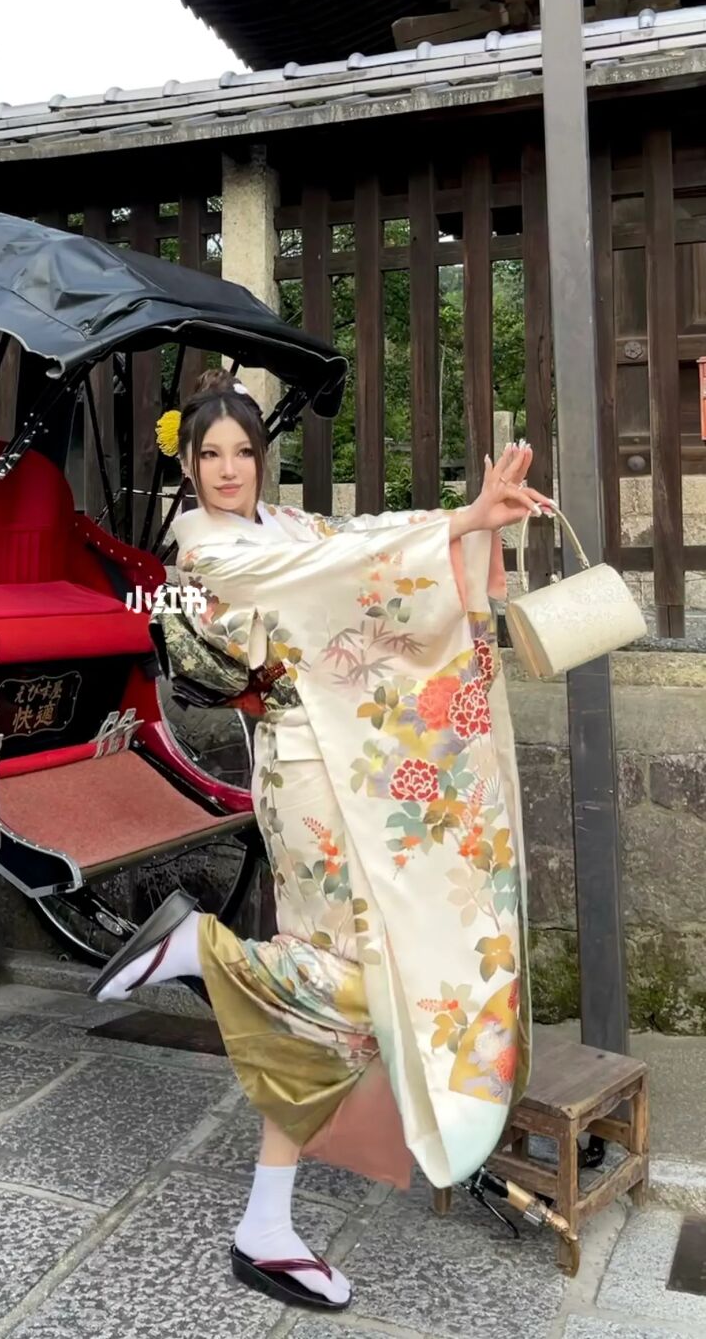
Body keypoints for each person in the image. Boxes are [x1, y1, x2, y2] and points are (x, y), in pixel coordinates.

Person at [89, 369, 551, 1313]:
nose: (228, 470)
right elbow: (335, 578)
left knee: (344, 985)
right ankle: (205, 951)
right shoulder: (208, 548)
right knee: (347, 966)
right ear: (188, 465)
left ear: (263, 460)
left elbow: (360, 541)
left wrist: (468, 522)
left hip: (352, 758)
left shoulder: (286, 527)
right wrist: (458, 527)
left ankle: (267, 1216)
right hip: (306, 763)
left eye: (243, 454)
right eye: (210, 455)